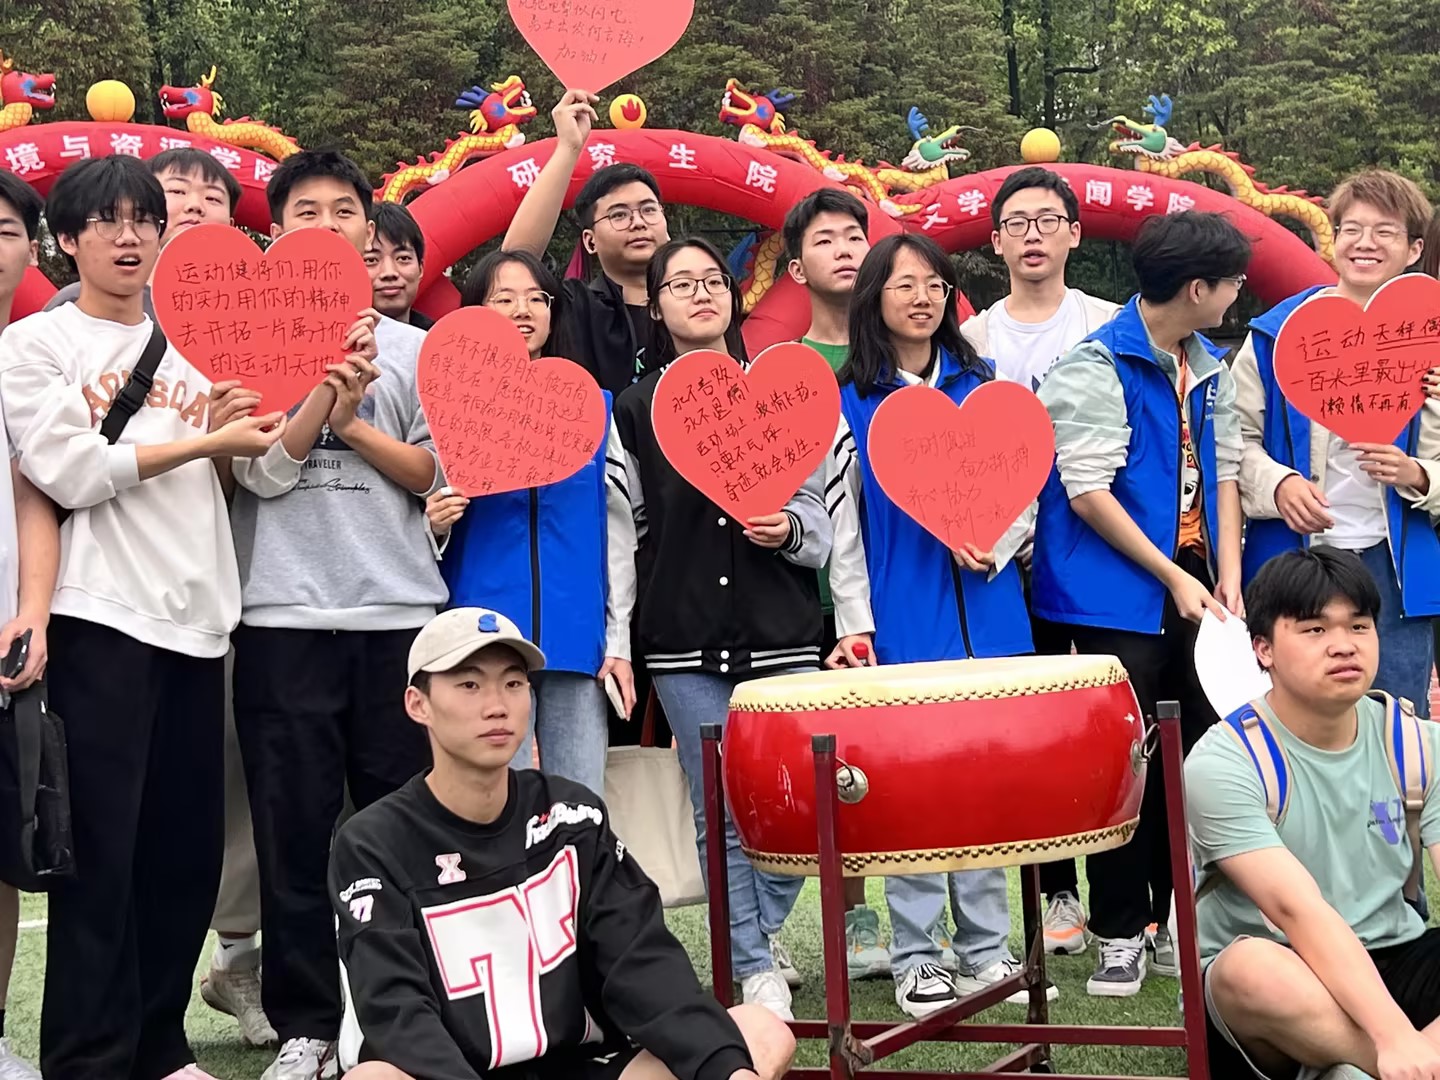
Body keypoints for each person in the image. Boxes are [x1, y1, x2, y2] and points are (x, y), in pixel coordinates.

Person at [0, 154, 287, 1080]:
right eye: (107, 221)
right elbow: (70, 471)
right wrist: (203, 436)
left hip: (200, 621)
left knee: (184, 853)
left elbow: (263, 473)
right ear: (67, 240)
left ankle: (160, 1043)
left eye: (144, 220)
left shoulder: (201, 338)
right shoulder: (38, 345)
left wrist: (314, 402)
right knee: (99, 852)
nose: (129, 237)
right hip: (99, 618)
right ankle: (88, 1055)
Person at [329, 606, 796, 1080]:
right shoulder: (373, 844)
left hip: (581, 1066)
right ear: (418, 704)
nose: (497, 705)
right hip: (456, 1073)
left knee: (758, 1033)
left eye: (513, 683)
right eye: (469, 685)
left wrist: (728, 1072)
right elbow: (399, 1013)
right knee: (373, 1079)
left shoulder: (572, 814)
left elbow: (641, 963)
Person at [227, 148, 436, 1080]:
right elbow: (259, 474)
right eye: (303, 211)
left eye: (342, 210)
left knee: (408, 831)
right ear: (276, 231)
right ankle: (307, 1025)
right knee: (294, 833)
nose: (325, 225)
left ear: (368, 228)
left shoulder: (415, 351)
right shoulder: (248, 342)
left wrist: (353, 421)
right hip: (282, 617)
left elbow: (434, 474)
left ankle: (408, 1019)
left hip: (399, 616)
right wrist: (320, 397)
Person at [823, 233, 1044, 1018]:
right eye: (903, 284)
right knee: (912, 794)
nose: (921, 298)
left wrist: (997, 541)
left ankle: (986, 948)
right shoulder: (849, 401)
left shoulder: (987, 385)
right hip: (902, 624)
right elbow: (842, 526)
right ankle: (918, 955)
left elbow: (1028, 489)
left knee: (985, 789)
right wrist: (855, 622)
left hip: (994, 620)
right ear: (873, 297)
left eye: (934, 284)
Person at [611, 238, 831, 1020]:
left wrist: (790, 531)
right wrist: (618, 639)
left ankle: (755, 930)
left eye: (712, 280)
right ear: (656, 303)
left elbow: (821, 517)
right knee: (719, 810)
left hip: (782, 630)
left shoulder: (784, 391)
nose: (700, 293)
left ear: (735, 297)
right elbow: (626, 529)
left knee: (798, 799)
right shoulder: (633, 410)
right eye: (680, 284)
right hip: (682, 637)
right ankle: (749, 965)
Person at [1032, 210, 1249, 997]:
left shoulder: (1210, 364)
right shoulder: (1095, 365)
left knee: (1201, 759)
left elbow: (1224, 472)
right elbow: (1087, 492)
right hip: (1111, 601)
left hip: (1193, 592)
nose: (1237, 293)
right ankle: (1119, 931)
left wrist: (1226, 574)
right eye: (1230, 282)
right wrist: (1172, 575)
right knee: (1123, 766)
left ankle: (1174, 922)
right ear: (1196, 288)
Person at [1188, 547, 1440, 1080]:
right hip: (1286, 970)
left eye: (1359, 626)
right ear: (1263, 650)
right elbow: (1296, 910)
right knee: (1251, 972)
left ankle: (1368, 1068)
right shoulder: (1224, 760)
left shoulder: (1419, 745)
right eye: (1315, 630)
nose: (1343, 645)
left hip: (1398, 953)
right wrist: (1393, 1039)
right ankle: (1390, 1064)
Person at [961, 165, 1120, 958]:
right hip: (1004, 563)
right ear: (995, 241)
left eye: (1047, 220)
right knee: (1031, 727)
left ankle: (1135, 903)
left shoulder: (1110, 325)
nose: (1033, 235)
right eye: (1017, 223)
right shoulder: (972, 341)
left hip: (1096, 548)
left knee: (1105, 720)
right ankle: (1056, 891)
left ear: (1074, 235)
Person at [424, 249, 638, 791]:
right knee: (491, 799)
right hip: (481, 642)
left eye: (536, 298)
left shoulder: (595, 410)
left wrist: (617, 640)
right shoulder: (449, 409)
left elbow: (618, 533)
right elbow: (420, 522)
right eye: (504, 298)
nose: (523, 310)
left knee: (580, 802)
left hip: (576, 642)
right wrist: (437, 524)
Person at [1235, 169, 1440, 718]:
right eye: (1352, 229)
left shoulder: (1433, 341)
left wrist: (1417, 475)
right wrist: (1279, 484)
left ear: (1414, 249)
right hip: (1294, 558)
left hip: (1395, 569)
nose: (1364, 243)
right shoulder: (1276, 336)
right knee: (1291, 716)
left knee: (1397, 719)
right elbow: (1233, 443)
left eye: (1384, 232)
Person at [780, 186, 892, 981]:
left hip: (899, 594)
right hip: (809, 600)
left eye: (856, 235)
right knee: (828, 766)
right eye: (825, 240)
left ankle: (917, 924)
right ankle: (849, 919)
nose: (845, 249)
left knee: (893, 763)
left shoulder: (900, 359)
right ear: (796, 268)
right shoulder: (784, 370)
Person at [0, 170, 59, 1080]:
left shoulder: (29, 359)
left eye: (6, 229)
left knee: (2, 856)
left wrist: (33, 611)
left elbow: (37, 495)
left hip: (9, 639)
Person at [503, 89, 668, 395]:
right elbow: (513, 263)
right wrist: (569, 147)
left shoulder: (699, 295)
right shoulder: (575, 307)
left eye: (648, 210)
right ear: (590, 241)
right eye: (619, 215)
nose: (638, 222)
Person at [44, 146, 243, 315]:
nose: (195, 206)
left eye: (213, 198)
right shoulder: (79, 303)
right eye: (177, 191)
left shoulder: (246, 305)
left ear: (232, 225)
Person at [366, 203, 433, 329]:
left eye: (403, 258)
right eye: (371, 260)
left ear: (420, 269)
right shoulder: (329, 337)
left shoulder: (438, 338)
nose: (389, 272)